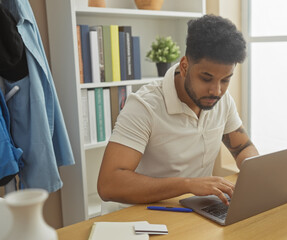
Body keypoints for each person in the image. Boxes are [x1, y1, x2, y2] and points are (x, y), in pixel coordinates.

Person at [97, 14, 259, 206]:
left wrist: (256, 177)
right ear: (184, 66)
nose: (216, 90)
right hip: (141, 218)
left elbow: (243, 148)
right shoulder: (144, 106)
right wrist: (188, 185)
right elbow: (108, 185)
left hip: (194, 211)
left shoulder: (221, 100)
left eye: (225, 80)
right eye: (206, 78)